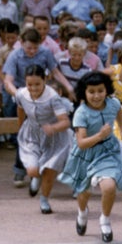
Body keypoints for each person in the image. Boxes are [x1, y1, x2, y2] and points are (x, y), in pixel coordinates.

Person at [60, 71, 122, 243]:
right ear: (84, 93)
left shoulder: (113, 103)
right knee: (83, 193)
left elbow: (118, 112)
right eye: (91, 91)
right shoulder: (81, 113)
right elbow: (82, 143)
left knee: (109, 187)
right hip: (85, 154)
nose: (96, 95)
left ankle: (105, 221)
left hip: (107, 152)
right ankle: (82, 213)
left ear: (106, 90)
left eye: (100, 90)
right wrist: (100, 135)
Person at [16, 65, 73, 214]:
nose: (33, 88)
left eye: (37, 84)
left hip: (55, 136)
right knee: (33, 169)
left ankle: (44, 199)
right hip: (32, 134)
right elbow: (20, 108)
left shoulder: (53, 97)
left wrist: (53, 128)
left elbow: (65, 122)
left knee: (49, 171)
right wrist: (20, 125)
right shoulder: (21, 94)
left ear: (45, 81)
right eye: (30, 84)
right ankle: (35, 177)